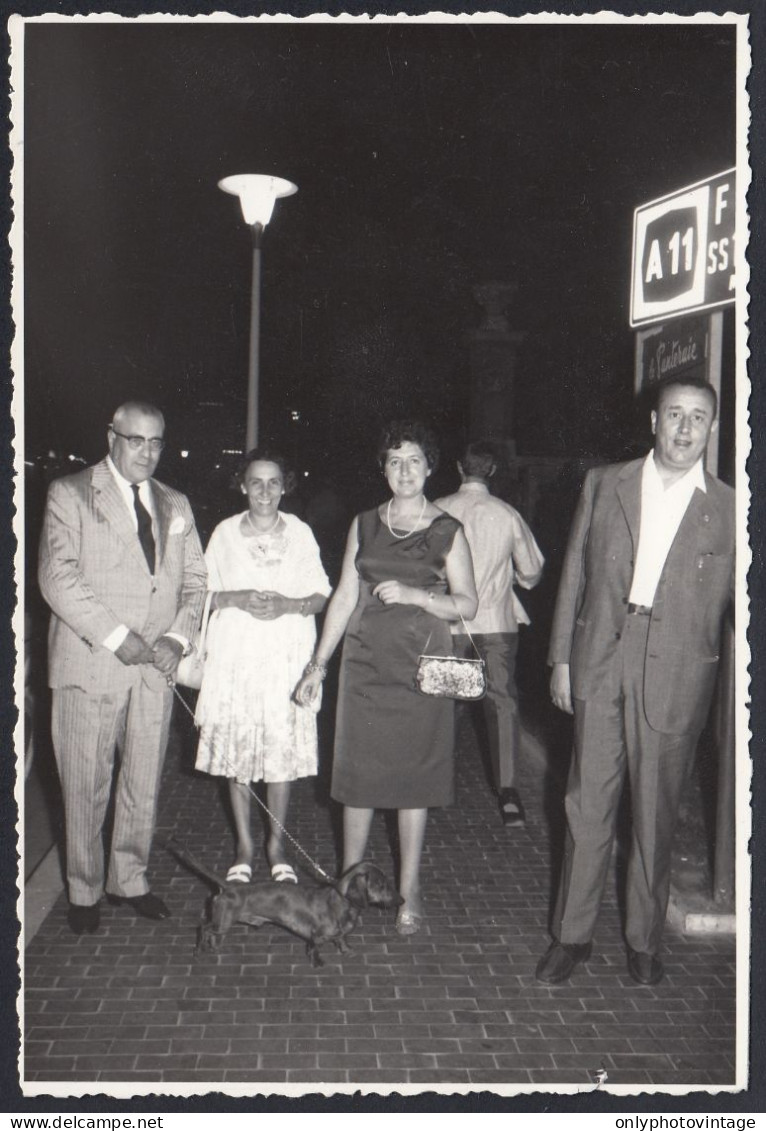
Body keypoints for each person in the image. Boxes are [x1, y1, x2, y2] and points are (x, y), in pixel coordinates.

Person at [536, 377, 735, 986]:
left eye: (697, 418)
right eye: (674, 414)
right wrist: (562, 660)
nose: (684, 428)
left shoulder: (731, 507)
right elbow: (572, 572)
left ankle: (644, 942)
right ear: (654, 419)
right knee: (585, 806)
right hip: (601, 657)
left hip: (677, 673)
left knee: (655, 813)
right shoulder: (606, 482)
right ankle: (571, 937)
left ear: (711, 429)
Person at [295, 421, 478, 935]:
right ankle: (347, 884)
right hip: (364, 664)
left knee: (413, 783)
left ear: (430, 466)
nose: (405, 471)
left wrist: (418, 595)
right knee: (356, 780)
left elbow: (468, 602)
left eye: (414, 460)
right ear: (383, 468)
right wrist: (318, 665)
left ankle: (410, 886)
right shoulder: (364, 523)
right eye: (395, 461)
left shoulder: (447, 528)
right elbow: (344, 596)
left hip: (421, 667)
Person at [38, 401, 207, 935]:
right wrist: (118, 637)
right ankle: (84, 889)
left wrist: (178, 638)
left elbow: (197, 582)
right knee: (86, 783)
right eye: (137, 440)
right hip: (92, 664)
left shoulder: (175, 502)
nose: (148, 453)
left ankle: (129, 879)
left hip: (153, 670)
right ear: (111, 437)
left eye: (156, 442)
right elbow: (57, 577)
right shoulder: (70, 493)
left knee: (141, 782)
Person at [194, 449, 331, 884]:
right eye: (257, 482)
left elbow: (323, 594)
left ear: (285, 486)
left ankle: (275, 844)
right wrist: (235, 597)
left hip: (284, 658)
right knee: (239, 754)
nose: (265, 491)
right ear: (242, 485)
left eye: (274, 482)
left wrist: (289, 603)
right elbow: (200, 593)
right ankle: (245, 846)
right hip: (236, 659)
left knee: (279, 753)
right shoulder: (223, 534)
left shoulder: (302, 533)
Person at [436, 441, 544, 827]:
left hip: (450, 624)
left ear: (458, 468)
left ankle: (433, 780)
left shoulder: (439, 510)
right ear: (493, 471)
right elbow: (531, 571)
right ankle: (509, 792)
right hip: (496, 623)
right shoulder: (507, 514)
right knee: (501, 702)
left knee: (443, 698)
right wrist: (508, 578)